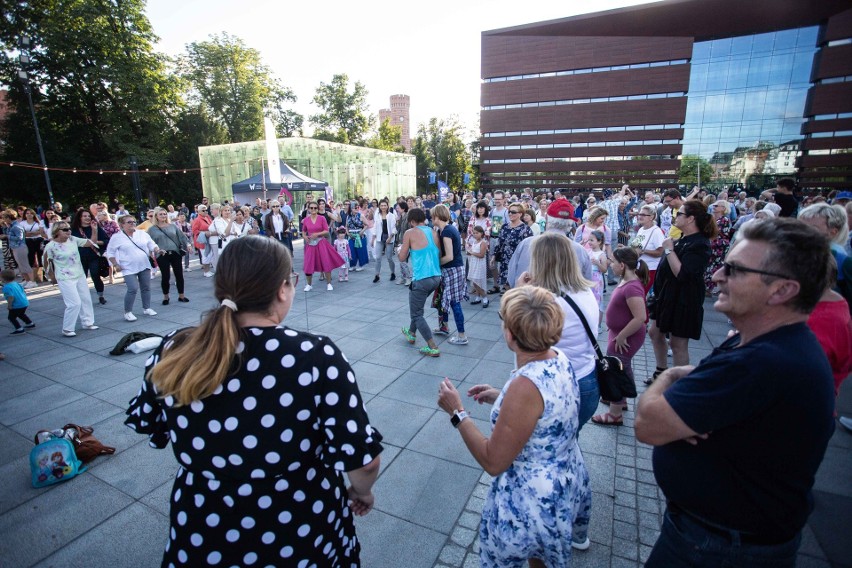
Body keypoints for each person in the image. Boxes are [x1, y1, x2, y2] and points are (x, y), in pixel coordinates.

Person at [125, 235, 383, 567]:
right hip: (300, 526)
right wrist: (362, 492)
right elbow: (362, 460)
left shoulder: (175, 348)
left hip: (205, 526)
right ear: (281, 289)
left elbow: (150, 421)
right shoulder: (316, 356)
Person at [636, 218, 836, 568]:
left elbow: (649, 424)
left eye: (735, 270)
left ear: (782, 290)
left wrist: (668, 379)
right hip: (718, 538)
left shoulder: (763, 362)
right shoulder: (765, 347)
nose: (716, 277)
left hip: (718, 548)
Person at [437, 286, 591, 566]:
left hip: (531, 497)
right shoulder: (559, 356)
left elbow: (493, 461)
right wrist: (502, 396)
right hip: (563, 478)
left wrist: (457, 412)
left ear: (510, 333)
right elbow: (549, 406)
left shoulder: (525, 385)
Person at [646, 199, 717, 384]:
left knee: (678, 343)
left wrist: (669, 250)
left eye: (680, 214)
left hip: (684, 298)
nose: (675, 216)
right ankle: (661, 372)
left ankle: (679, 383)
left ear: (691, 218)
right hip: (666, 295)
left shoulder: (700, 244)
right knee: (655, 332)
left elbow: (683, 274)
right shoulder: (684, 240)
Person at [592, 247, 649, 425]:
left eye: (613, 262)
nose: (610, 265)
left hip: (625, 337)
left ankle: (615, 413)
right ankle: (622, 399)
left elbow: (640, 317)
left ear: (622, 265)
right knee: (622, 366)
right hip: (619, 334)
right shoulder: (626, 280)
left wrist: (622, 335)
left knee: (616, 369)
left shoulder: (632, 287)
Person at [42, 221, 100, 337]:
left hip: (79, 274)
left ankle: (88, 322)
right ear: (56, 231)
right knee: (74, 303)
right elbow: (46, 262)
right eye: (65, 229)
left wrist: (94, 229)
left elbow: (91, 243)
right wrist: (51, 276)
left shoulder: (72, 239)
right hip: (64, 277)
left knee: (86, 299)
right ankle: (67, 328)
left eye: (69, 228)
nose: (68, 231)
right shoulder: (51, 246)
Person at [398, 207, 442, 357]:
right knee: (416, 307)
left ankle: (432, 346)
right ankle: (411, 333)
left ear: (411, 221)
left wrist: (400, 250)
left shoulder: (410, 232)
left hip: (421, 279)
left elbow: (401, 258)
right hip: (436, 277)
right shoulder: (434, 232)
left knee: (417, 314)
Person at [798, 203, 852, 315]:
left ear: (832, 232)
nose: (802, 231)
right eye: (800, 226)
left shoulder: (843, 262)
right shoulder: (788, 256)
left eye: (812, 228)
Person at [106, 215, 160, 322]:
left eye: (134, 222)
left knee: (146, 287)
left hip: (144, 264)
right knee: (133, 288)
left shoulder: (142, 233)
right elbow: (110, 252)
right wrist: (115, 264)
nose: (132, 224)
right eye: (129, 222)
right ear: (122, 225)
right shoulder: (117, 237)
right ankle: (128, 312)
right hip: (127, 267)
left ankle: (146, 308)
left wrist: (157, 250)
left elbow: (151, 244)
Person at [431, 204, 468, 344]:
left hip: (453, 269)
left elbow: (449, 256)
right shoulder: (445, 229)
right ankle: (444, 327)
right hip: (452, 269)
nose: (431, 217)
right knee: (442, 299)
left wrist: (435, 264)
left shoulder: (446, 231)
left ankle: (462, 336)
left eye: (432, 215)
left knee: (454, 302)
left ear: (437, 216)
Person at [148, 208, 190, 305]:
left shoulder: (172, 226)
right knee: (165, 276)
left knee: (179, 274)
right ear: (156, 216)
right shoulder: (152, 229)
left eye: (164, 214)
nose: (163, 216)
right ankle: (166, 297)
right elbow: (149, 242)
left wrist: (188, 245)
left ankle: (181, 295)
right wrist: (150, 253)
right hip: (162, 254)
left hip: (175, 253)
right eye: (161, 214)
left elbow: (182, 237)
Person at [300, 201, 343, 292]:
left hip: (321, 242)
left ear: (317, 208)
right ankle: (309, 284)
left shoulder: (322, 218)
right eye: (311, 208)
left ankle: (329, 283)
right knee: (308, 264)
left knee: (325, 262)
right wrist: (305, 237)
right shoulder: (306, 220)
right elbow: (303, 231)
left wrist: (317, 234)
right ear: (308, 209)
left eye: (315, 208)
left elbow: (326, 231)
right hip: (310, 244)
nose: (313, 209)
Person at [70, 209, 108, 305]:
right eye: (84, 216)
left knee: (95, 275)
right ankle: (82, 298)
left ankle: (101, 295)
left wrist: (95, 242)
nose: (87, 218)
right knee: (81, 278)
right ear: (80, 218)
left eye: (89, 216)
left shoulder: (95, 227)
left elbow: (106, 240)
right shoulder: (73, 230)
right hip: (79, 257)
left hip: (94, 256)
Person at [495, 203, 533, 291]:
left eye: (513, 212)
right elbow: (499, 243)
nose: (510, 214)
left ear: (520, 214)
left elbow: (529, 249)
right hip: (504, 262)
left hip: (518, 263)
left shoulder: (525, 229)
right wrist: (494, 256)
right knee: (506, 287)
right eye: (509, 212)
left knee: (516, 288)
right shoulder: (504, 227)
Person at [631, 204, 665, 292]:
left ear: (651, 217)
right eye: (639, 214)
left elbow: (660, 253)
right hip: (639, 268)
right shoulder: (641, 229)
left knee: (641, 295)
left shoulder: (656, 231)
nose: (640, 216)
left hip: (650, 270)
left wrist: (643, 251)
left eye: (643, 215)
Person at [704, 200, 733, 296]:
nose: (714, 207)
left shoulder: (724, 219)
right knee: (709, 266)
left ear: (723, 208)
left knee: (714, 266)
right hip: (712, 244)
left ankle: (709, 288)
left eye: (717, 206)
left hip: (719, 246)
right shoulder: (714, 218)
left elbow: (716, 232)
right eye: (714, 205)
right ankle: (708, 287)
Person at [1, 210, 36, 289]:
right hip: (15, 248)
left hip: (20, 247)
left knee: (25, 265)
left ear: (9, 217)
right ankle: (27, 280)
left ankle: (32, 281)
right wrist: (5, 227)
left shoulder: (16, 226)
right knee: (20, 266)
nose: (4, 219)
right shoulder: (10, 226)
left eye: (4, 218)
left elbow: (19, 238)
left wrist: (7, 236)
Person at [371, 200, 397, 283]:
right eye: (381, 205)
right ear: (379, 206)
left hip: (389, 237)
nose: (383, 207)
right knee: (378, 257)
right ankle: (377, 275)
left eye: (384, 205)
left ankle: (393, 273)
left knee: (389, 257)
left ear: (387, 206)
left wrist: (390, 237)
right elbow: (375, 227)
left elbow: (394, 228)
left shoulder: (391, 216)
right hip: (379, 238)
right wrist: (373, 239)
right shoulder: (377, 215)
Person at [2, 269, 34, 335]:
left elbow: (11, 297)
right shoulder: (16, 283)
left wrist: (9, 305)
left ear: (3, 278)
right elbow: (23, 291)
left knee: (11, 317)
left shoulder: (6, 287)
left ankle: (19, 329)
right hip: (24, 303)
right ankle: (30, 323)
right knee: (21, 314)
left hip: (16, 305)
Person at [21, 208, 48, 279]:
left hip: (39, 240)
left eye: (31, 213)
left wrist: (33, 233)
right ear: (25, 215)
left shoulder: (38, 222)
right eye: (27, 213)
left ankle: (42, 275)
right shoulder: (22, 223)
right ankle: (32, 276)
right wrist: (31, 233)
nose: (29, 215)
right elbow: (22, 233)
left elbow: (41, 231)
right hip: (28, 241)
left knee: (40, 256)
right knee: (30, 257)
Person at [466, 226, 489, 307]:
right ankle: (478, 297)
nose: (475, 234)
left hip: (480, 264)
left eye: (477, 233)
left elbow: (481, 255)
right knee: (474, 281)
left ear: (481, 233)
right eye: (474, 233)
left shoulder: (483, 242)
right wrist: (469, 252)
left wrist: (472, 253)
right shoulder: (474, 242)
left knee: (478, 282)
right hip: (474, 263)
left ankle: (485, 297)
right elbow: (473, 252)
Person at [346, 200, 370, 271]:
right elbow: (346, 226)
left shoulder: (361, 215)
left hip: (359, 235)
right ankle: (352, 265)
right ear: (351, 209)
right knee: (351, 250)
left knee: (360, 250)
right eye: (354, 207)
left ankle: (361, 265)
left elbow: (367, 224)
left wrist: (362, 232)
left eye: (357, 207)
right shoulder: (348, 217)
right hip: (351, 235)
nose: (356, 209)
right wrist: (347, 233)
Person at [190, 205, 214, 277]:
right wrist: (203, 232)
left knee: (209, 255)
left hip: (209, 239)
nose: (206, 211)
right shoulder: (197, 220)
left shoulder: (208, 218)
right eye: (203, 210)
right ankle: (206, 271)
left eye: (206, 210)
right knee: (205, 255)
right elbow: (194, 231)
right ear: (199, 212)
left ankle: (208, 270)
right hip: (202, 240)